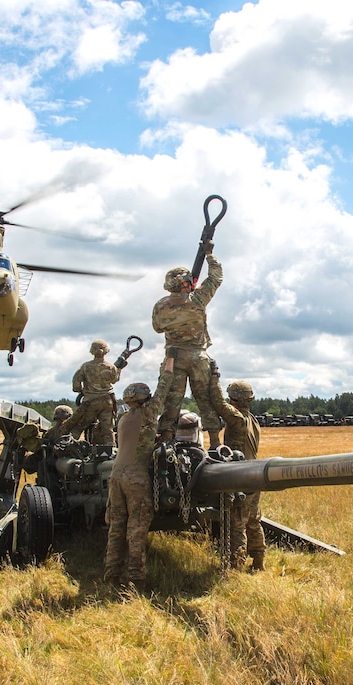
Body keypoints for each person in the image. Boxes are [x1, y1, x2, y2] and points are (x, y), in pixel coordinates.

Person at [104, 354, 175, 591]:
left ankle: (112, 573)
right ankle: (136, 579)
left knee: (117, 526)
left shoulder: (123, 419)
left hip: (116, 476)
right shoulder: (148, 413)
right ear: (145, 399)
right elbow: (164, 388)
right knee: (137, 528)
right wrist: (169, 362)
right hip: (136, 477)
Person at [151, 242, 225, 446]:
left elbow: (157, 328)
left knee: (172, 400)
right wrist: (210, 255)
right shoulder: (198, 299)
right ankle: (215, 442)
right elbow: (216, 277)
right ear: (186, 283)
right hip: (198, 357)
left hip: (173, 358)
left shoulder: (160, 305)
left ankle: (166, 438)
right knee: (205, 399)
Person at [210, 376, 265, 571]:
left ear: (234, 399)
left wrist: (213, 377)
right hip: (255, 475)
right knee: (253, 520)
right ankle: (259, 561)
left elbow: (217, 402)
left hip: (241, 476)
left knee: (238, 523)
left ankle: (236, 565)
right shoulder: (253, 419)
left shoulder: (237, 419)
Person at [59, 339, 122, 445]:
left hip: (90, 402)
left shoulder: (85, 367)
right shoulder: (111, 367)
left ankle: (67, 447)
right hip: (107, 402)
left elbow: (76, 385)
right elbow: (115, 380)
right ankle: (111, 452)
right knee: (108, 430)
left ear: (92, 351)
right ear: (106, 351)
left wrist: (82, 390)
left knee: (79, 427)